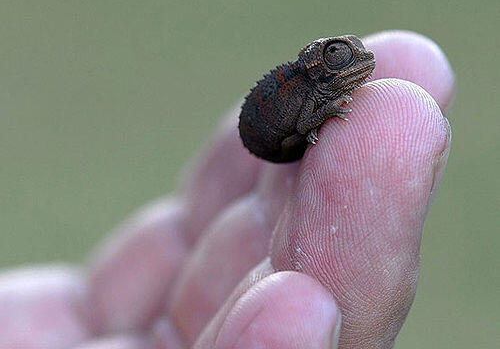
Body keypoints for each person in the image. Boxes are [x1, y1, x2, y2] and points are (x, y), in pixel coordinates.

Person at [0, 30, 455, 349]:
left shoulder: (313, 85)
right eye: (339, 57)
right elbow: (295, 121)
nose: (354, 65)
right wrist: (318, 119)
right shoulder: (304, 88)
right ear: (320, 66)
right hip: (266, 134)